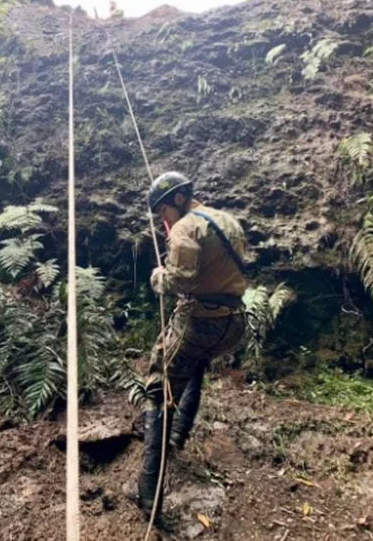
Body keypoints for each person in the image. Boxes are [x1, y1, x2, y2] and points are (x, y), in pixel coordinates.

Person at [126, 171, 248, 519]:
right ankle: (177, 436)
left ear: (178, 200)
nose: (162, 219)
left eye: (162, 210)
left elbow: (179, 280)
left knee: (157, 389)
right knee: (194, 367)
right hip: (233, 323)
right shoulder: (227, 220)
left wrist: (157, 277)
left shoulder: (183, 228)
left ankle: (148, 494)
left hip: (200, 323)